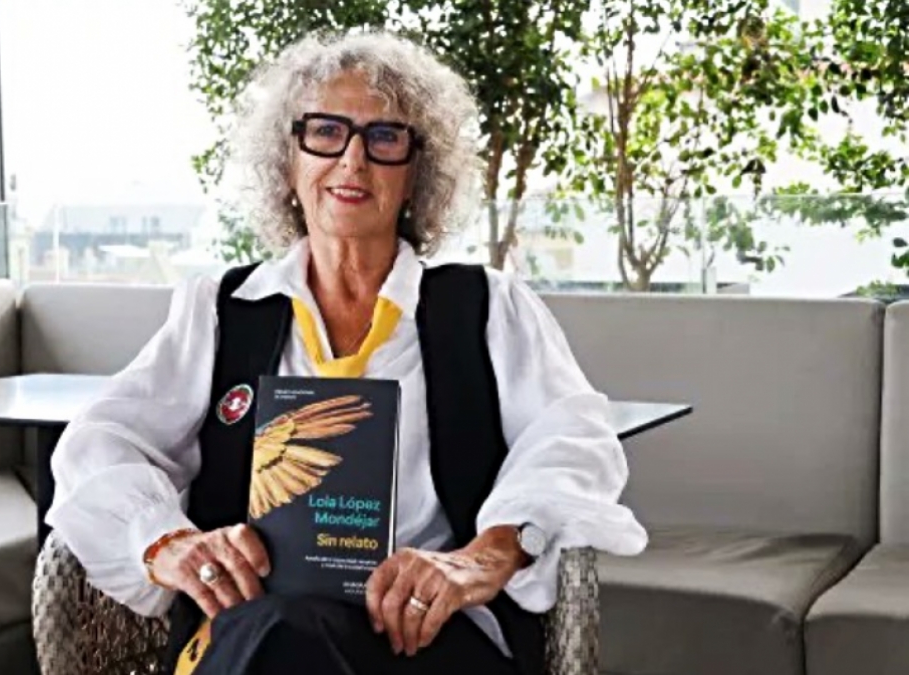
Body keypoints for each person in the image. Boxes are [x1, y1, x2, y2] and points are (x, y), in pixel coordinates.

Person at [46, 29, 647, 675]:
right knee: (283, 632)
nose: (353, 160)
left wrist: (481, 557)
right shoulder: (221, 309)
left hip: (427, 637)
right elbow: (101, 442)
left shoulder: (487, 306)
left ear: (416, 175)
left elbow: (574, 442)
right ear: (289, 162)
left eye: (384, 138)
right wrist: (165, 542)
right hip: (254, 631)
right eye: (326, 132)